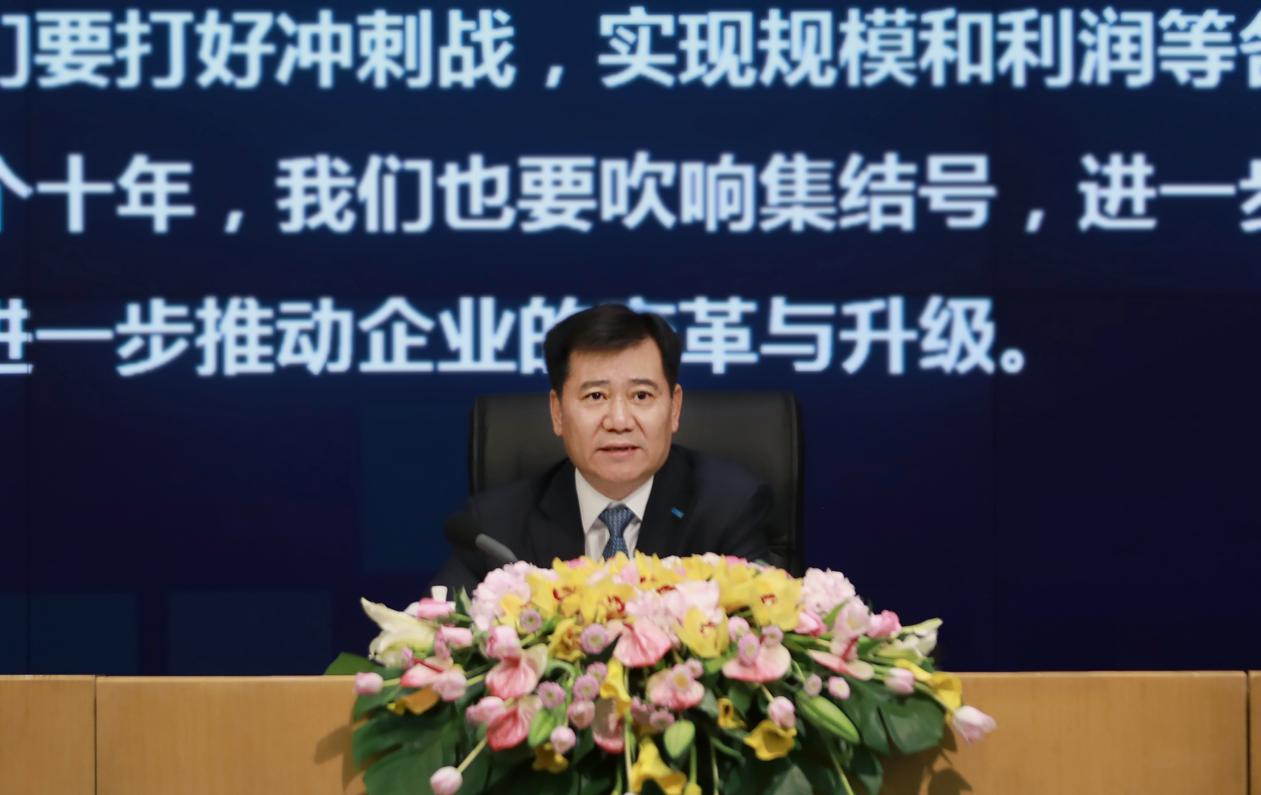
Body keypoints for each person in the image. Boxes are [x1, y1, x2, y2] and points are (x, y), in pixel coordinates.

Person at [431, 304, 772, 593]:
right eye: (596, 396)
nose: (619, 421)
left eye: (641, 396)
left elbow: (763, 631)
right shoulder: (495, 529)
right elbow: (439, 637)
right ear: (557, 412)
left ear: (675, 408)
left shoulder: (727, 510)